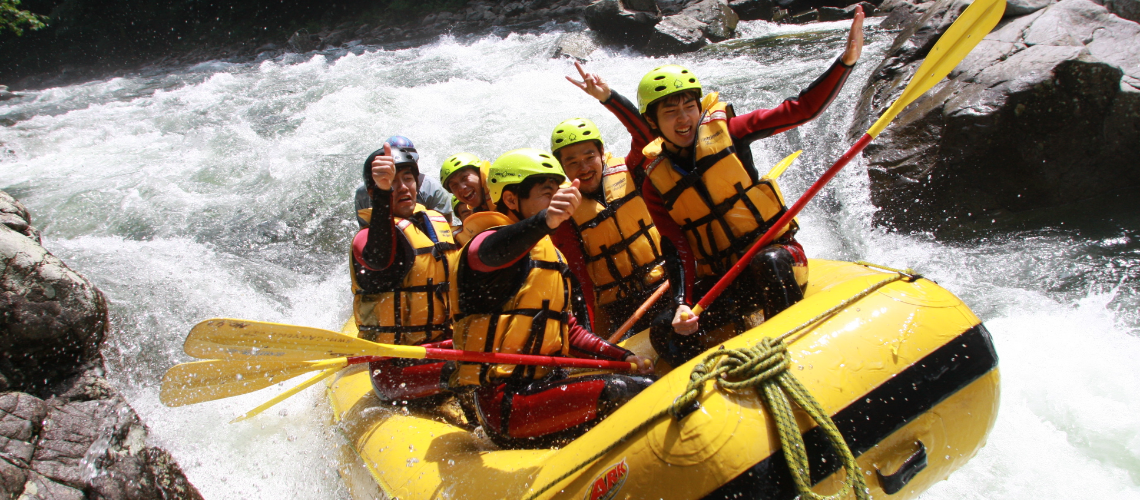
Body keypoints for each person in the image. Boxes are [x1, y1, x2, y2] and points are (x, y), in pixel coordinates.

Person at [640, 8, 865, 365]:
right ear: (653, 122)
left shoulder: (731, 131)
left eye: (689, 107)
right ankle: (711, 383)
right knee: (664, 328)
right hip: (728, 280)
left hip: (779, 260)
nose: (684, 119)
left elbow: (800, 109)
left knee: (768, 262)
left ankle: (791, 359)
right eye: (671, 112)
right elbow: (676, 247)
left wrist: (845, 62)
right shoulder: (655, 183)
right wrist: (682, 303)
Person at [449, 148, 653, 449]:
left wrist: (622, 357)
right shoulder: (482, 248)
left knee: (640, 381)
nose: (558, 200)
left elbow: (569, 330)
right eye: (547, 193)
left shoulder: (548, 254)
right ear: (511, 200)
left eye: (558, 191)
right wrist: (546, 220)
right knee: (631, 391)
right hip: (508, 403)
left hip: (546, 386)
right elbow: (490, 251)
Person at [547, 64, 679, 339]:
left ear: (602, 153)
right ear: (562, 168)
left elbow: (648, 136)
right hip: (623, 305)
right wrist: (588, 333)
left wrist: (609, 98)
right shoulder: (566, 213)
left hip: (668, 281)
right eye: (573, 162)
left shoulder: (632, 170)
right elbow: (579, 275)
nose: (584, 168)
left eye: (589, 157)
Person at [352, 143, 460, 405]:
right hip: (398, 366)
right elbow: (379, 258)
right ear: (373, 192)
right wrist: (382, 194)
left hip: (446, 349)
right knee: (473, 372)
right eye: (392, 182)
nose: (402, 187)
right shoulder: (367, 240)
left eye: (408, 179)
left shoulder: (432, 225)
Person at [355, 135, 452, 228]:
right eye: (392, 180)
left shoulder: (432, 188)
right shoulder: (364, 192)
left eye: (408, 178)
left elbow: (447, 227)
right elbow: (366, 228)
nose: (403, 187)